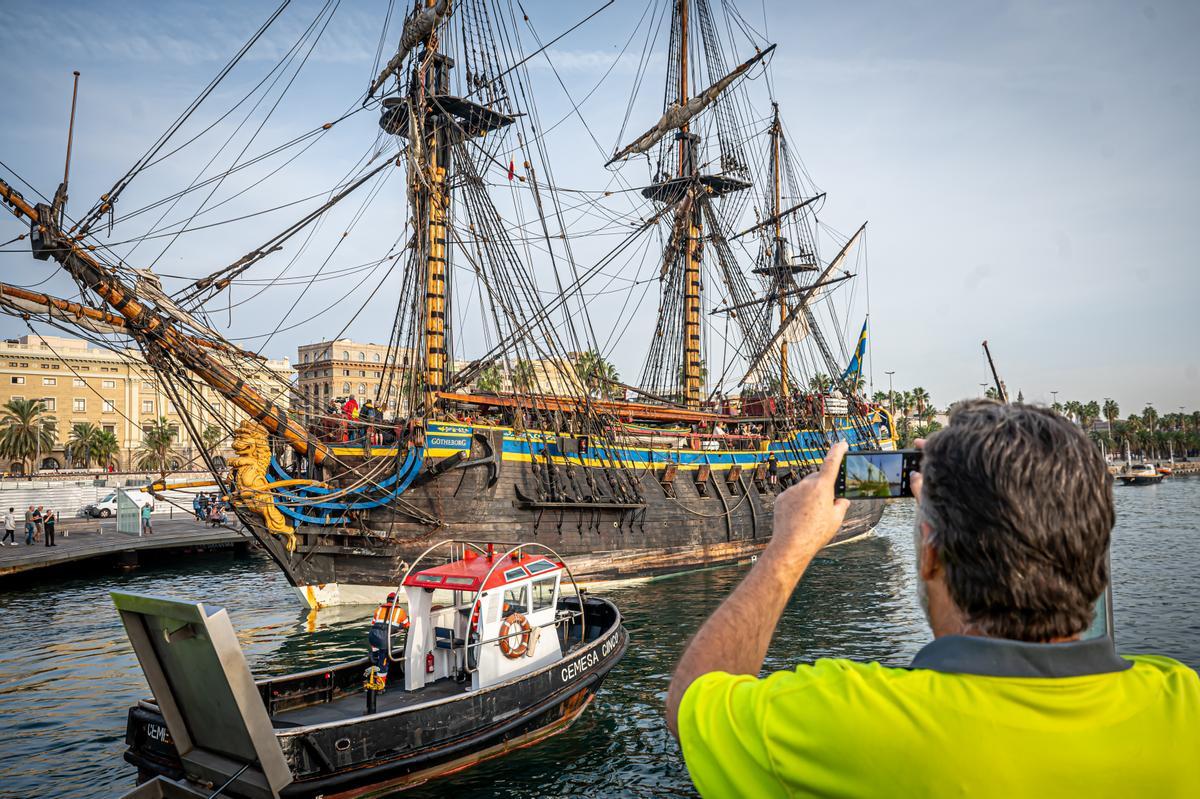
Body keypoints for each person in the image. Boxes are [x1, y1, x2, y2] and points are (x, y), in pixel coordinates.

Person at [666, 401, 1200, 797]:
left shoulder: (852, 721)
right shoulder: (1182, 703)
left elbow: (690, 700)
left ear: (931, 557)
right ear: (1091, 540)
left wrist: (787, 550)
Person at [368, 592, 410, 688]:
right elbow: (407, 626)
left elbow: (374, 623)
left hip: (373, 637)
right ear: (397, 601)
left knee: (377, 659)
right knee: (383, 664)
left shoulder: (379, 609)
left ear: (387, 600)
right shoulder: (401, 611)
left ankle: (374, 657)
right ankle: (380, 687)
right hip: (384, 641)